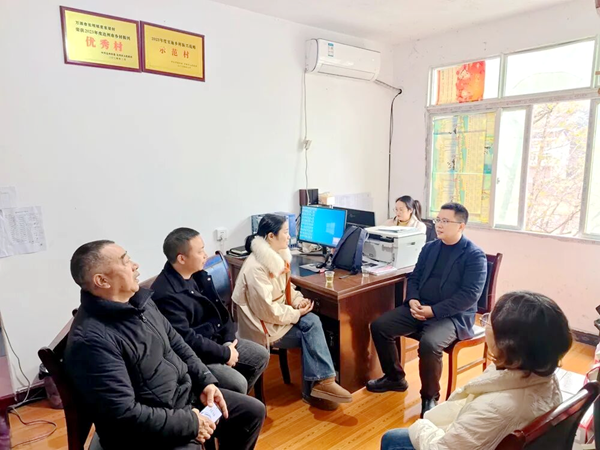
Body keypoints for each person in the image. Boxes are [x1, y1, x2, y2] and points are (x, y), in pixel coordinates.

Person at [65, 240, 265, 450]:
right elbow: (123, 414)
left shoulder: (139, 302)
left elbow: (178, 344)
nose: (135, 265)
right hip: (145, 431)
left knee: (251, 413)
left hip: (182, 399)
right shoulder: (91, 341)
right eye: (125, 262)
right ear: (102, 280)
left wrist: (205, 382)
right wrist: (191, 423)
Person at [380, 291, 573, 450]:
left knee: (392, 438)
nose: (486, 324)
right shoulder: (544, 376)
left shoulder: (496, 408)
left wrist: (421, 425)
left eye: (488, 321)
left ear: (506, 343)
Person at [368, 202, 487, 418]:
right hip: (421, 307)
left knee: (429, 344)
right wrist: (412, 299)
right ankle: (395, 378)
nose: (439, 225)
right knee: (380, 326)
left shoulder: (474, 256)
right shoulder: (430, 248)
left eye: (445, 221)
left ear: (461, 226)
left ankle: (430, 397)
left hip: (453, 316)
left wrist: (434, 311)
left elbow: (469, 296)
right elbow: (415, 277)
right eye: (437, 220)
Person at [231, 214, 353, 410]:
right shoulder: (256, 268)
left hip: (275, 317)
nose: (290, 237)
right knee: (311, 331)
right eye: (286, 232)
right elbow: (267, 311)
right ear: (271, 236)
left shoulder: (276, 256)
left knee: (313, 321)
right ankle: (317, 388)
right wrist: (297, 314)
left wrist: (298, 301)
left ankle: (323, 383)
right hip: (262, 327)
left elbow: (287, 289)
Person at [151, 228, 269, 396]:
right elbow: (186, 341)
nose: (205, 255)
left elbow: (221, 310)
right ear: (182, 258)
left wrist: (228, 342)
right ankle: (228, 404)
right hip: (197, 357)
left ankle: (235, 403)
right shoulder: (165, 294)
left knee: (260, 355)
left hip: (218, 342)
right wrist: (225, 354)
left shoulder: (198, 275)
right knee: (237, 382)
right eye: (200, 251)